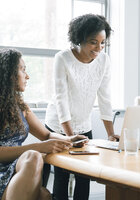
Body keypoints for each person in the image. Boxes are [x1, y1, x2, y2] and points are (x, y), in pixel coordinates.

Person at [0, 48, 86, 200]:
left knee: (34, 161)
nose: (27, 76)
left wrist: (70, 139)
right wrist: (38, 147)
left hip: (10, 168)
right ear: (8, 74)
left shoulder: (20, 105)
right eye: (23, 70)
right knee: (42, 193)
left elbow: (46, 134)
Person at [45, 14, 119, 200]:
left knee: (84, 175)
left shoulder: (104, 60)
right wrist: (69, 135)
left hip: (84, 125)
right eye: (93, 42)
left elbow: (105, 98)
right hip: (58, 126)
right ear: (80, 39)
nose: (99, 48)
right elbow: (61, 99)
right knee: (62, 175)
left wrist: (111, 133)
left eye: (103, 43)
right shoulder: (63, 58)